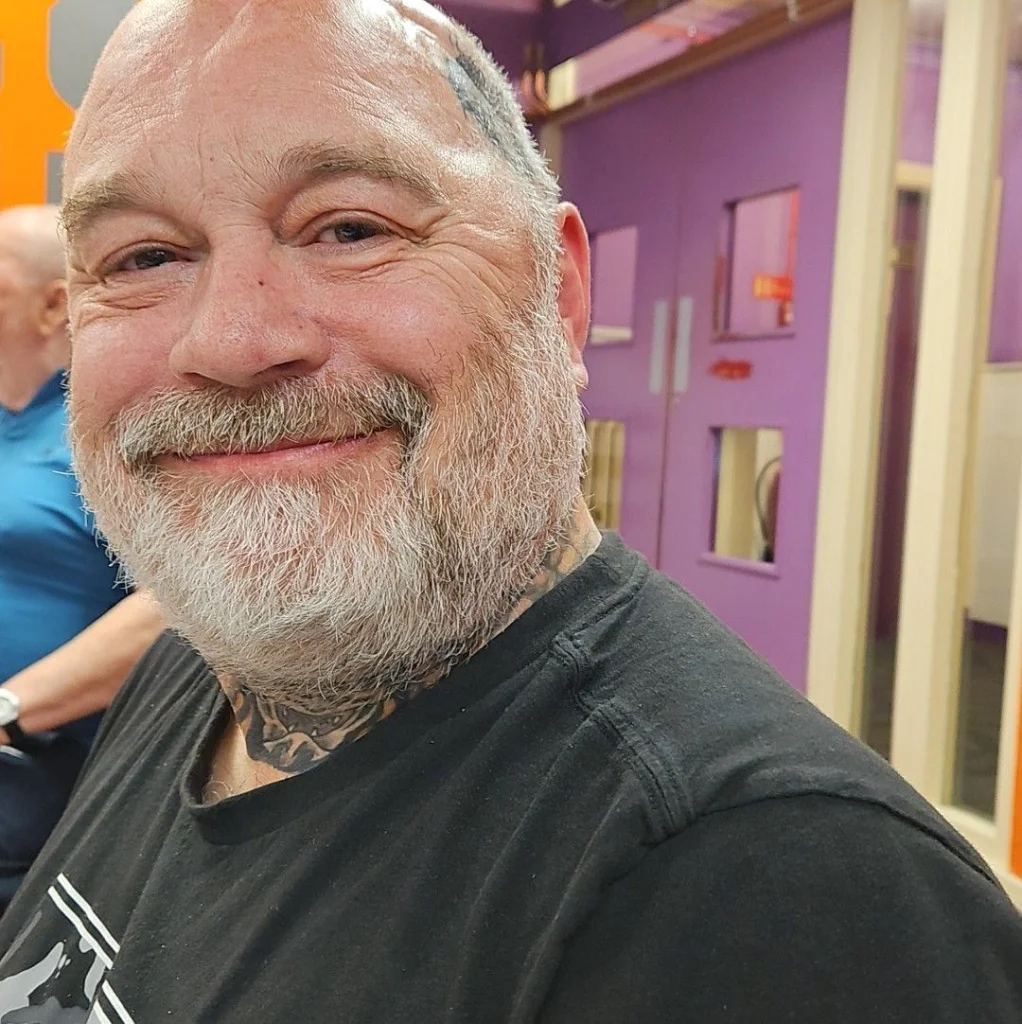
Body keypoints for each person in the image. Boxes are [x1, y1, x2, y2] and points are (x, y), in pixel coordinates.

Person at [0, 0, 1019, 1019]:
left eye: (350, 226)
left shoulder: (776, 891)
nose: (228, 340)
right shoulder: (201, 654)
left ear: (560, 296)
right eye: (140, 258)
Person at [0, 205, 165, 914]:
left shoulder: (113, 439)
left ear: (53, 305)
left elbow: (176, 608)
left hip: (49, 801)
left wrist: (8, 708)